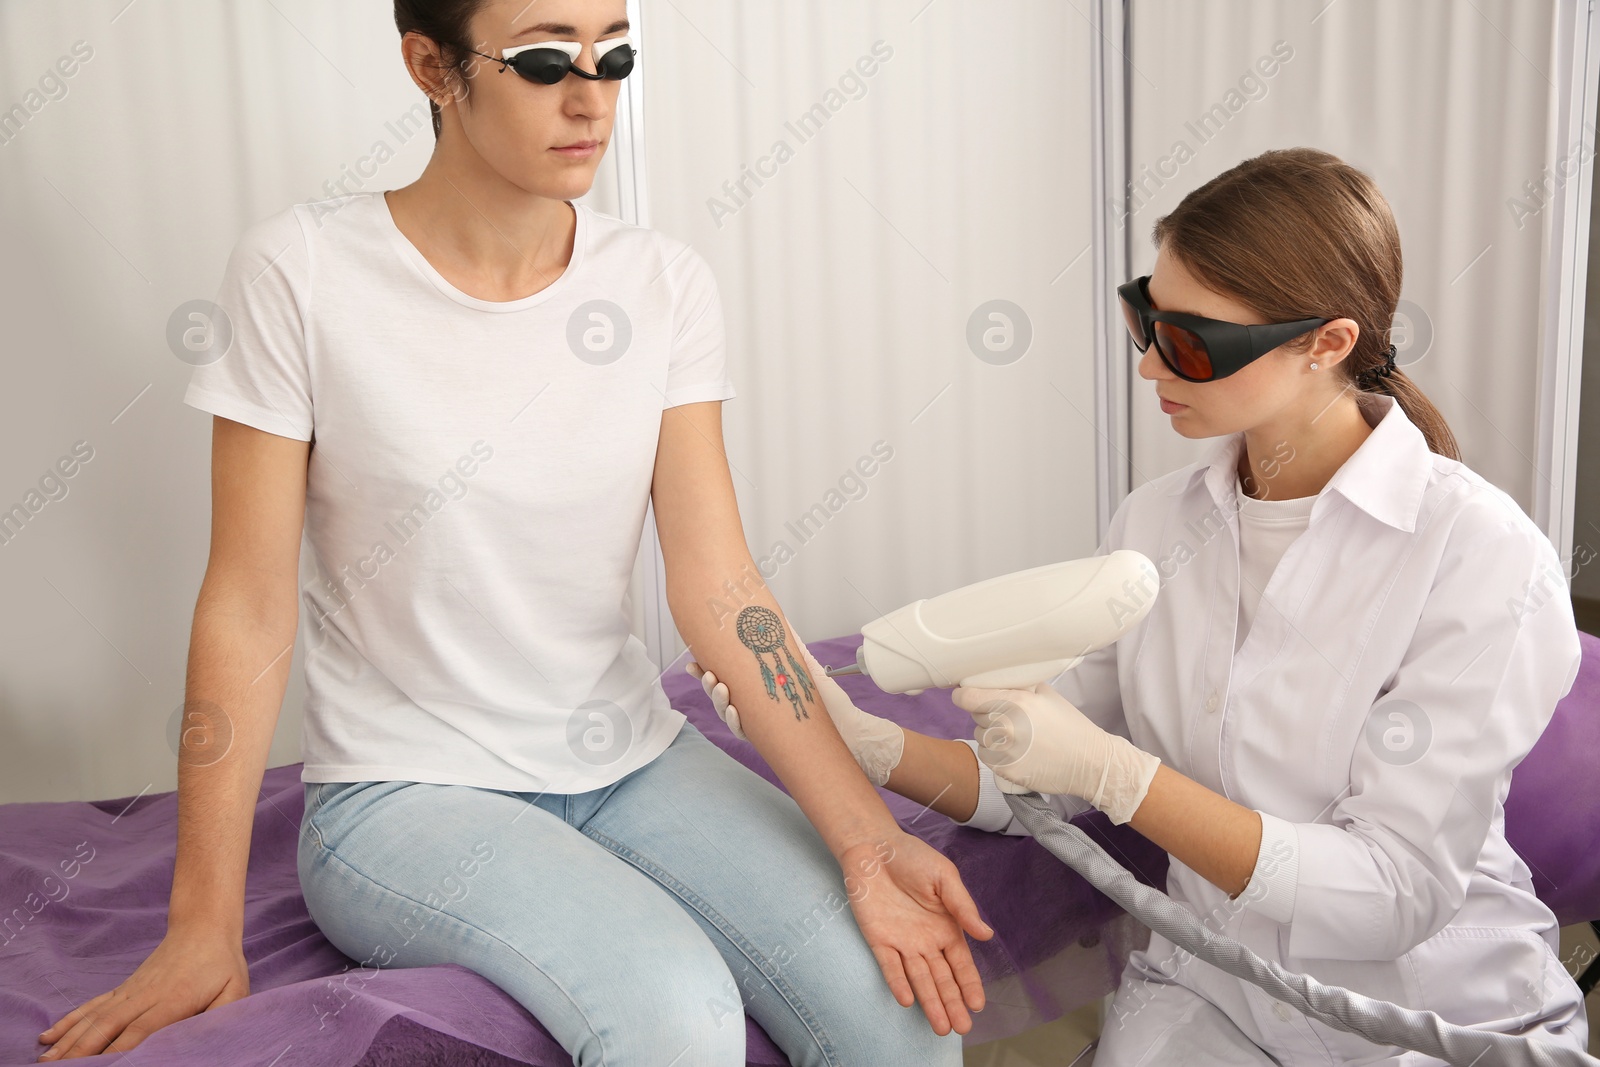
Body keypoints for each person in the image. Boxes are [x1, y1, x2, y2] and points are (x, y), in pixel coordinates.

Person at [34, 1, 993, 1062]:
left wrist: (865, 842)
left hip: (632, 758)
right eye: (545, 62)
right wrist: (200, 925)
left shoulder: (661, 284)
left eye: (613, 57)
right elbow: (248, 602)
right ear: (430, 66)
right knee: (678, 1014)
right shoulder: (300, 271)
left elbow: (722, 586)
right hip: (405, 793)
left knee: (899, 1008)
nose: (591, 99)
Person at [692, 147, 1591, 1064]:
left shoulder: (1479, 556)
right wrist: (867, 743)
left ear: (1328, 342)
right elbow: (1030, 773)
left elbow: (1390, 893)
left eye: (1195, 342)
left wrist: (1123, 778)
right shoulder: (1159, 525)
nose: (1151, 363)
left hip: (1433, 1020)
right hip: (1211, 998)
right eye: (1146, 317)